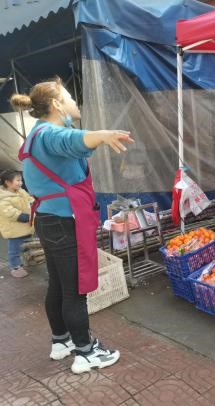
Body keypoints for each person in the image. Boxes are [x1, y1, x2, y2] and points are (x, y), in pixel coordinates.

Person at [10, 77, 134, 374]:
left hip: (49, 220)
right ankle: (86, 353)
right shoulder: (49, 133)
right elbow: (70, 140)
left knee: (58, 284)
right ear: (56, 104)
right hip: (63, 222)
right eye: (69, 98)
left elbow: (69, 142)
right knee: (75, 291)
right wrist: (102, 134)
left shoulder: (37, 134)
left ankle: (61, 341)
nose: (75, 102)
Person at [0, 170, 33, 278]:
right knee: (14, 250)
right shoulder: (3, 197)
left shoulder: (20, 191)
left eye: (21, 180)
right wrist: (22, 216)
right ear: (8, 182)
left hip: (25, 226)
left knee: (26, 245)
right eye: (18, 180)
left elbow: (29, 198)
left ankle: (27, 260)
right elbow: (8, 211)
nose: (20, 183)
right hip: (14, 229)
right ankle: (15, 267)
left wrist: (34, 203)